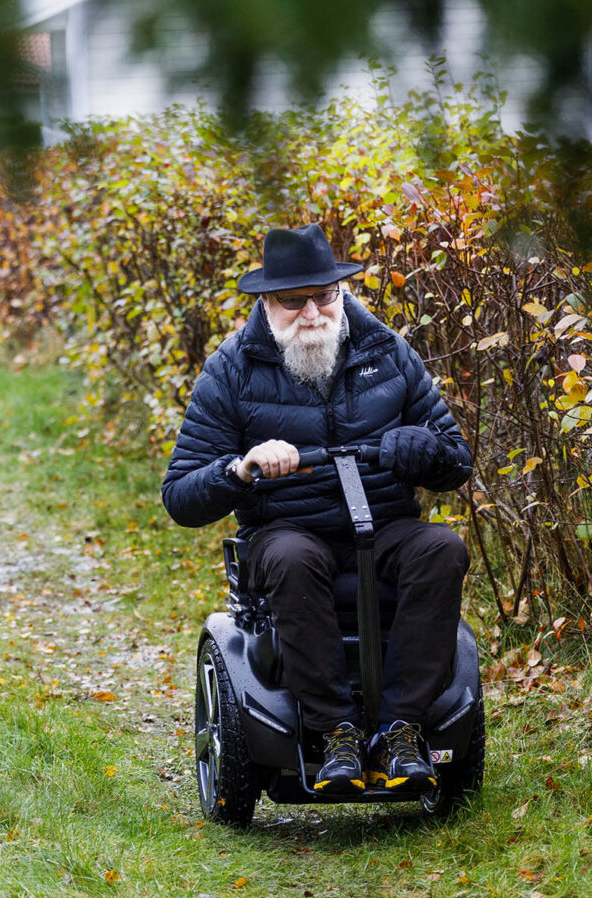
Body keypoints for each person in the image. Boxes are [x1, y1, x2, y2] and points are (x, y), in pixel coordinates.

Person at [162, 223, 473, 796]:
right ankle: (336, 733)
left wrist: (421, 451)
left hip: (385, 528)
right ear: (266, 302)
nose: (311, 312)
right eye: (292, 300)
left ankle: (402, 729)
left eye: (323, 296)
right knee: (292, 557)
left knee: (442, 548)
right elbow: (181, 496)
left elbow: (457, 462)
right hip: (286, 532)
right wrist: (243, 468)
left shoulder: (389, 352)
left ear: (340, 293)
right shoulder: (230, 370)